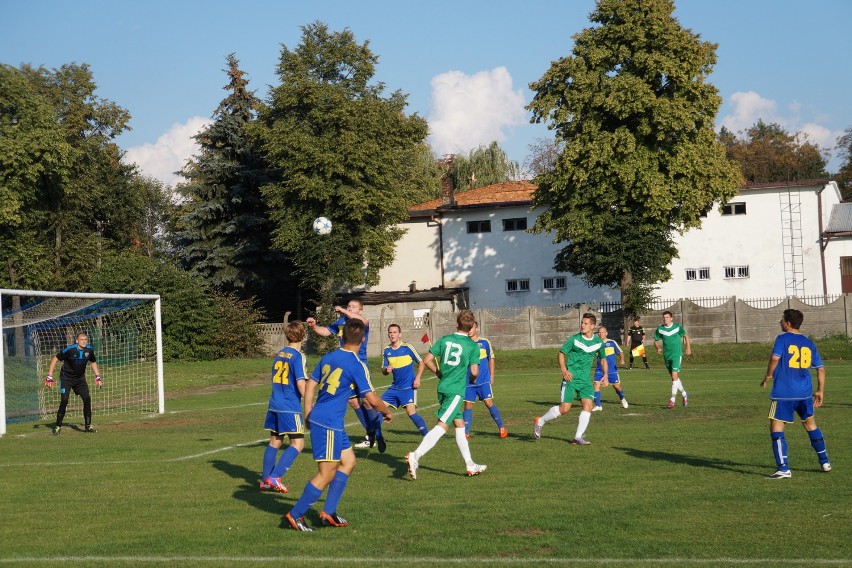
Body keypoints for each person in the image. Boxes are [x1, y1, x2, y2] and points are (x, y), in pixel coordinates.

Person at [283, 319, 392, 531]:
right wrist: (386, 411)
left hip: (323, 418)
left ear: (341, 337)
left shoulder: (329, 356)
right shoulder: (356, 364)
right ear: (363, 341)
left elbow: (311, 384)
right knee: (326, 473)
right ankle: (295, 515)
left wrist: (308, 412)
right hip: (329, 422)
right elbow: (371, 398)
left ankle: (328, 512)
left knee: (349, 461)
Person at [406, 309, 486, 480]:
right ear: (471, 326)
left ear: (457, 324)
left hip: (443, 387)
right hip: (456, 391)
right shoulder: (472, 346)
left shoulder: (444, 340)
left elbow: (426, 360)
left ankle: (470, 464)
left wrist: (438, 373)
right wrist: (472, 378)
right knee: (442, 426)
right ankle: (415, 456)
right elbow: (474, 371)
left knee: (460, 425)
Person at [760, 309, 831, 479]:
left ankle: (783, 469)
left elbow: (775, 358)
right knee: (810, 425)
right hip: (804, 393)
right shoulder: (808, 342)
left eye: (782, 320)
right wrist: (820, 390)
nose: (780, 323)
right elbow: (820, 368)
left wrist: (768, 375)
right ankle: (825, 462)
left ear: (788, 323)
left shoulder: (782, 339)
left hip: (784, 393)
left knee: (776, 428)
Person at [306, 299, 379, 446]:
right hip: (344, 364)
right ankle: (371, 433)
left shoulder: (360, 322)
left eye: (354, 307)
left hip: (359, 364)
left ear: (360, 310)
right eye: (349, 306)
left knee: (367, 401)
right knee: (353, 401)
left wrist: (345, 311)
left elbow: (364, 322)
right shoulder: (341, 321)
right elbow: (326, 331)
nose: (351, 308)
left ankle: (377, 431)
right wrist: (314, 327)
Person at [533, 313, 607, 445]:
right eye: (582, 323)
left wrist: (605, 374)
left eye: (585, 323)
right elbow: (561, 354)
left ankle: (577, 437)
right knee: (565, 409)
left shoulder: (598, 343)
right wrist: (564, 370)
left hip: (585, 381)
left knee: (588, 406)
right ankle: (540, 421)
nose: (582, 325)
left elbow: (603, 359)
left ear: (592, 326)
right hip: (571, 379)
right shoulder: (574, 339)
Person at [259, 321, 307, 494]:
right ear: (304, 336)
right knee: (298, 443)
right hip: (289, 406)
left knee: (275, 441)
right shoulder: (298, 356)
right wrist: (311, 403)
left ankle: (265, 480)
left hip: (275, 404)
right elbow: (301, 384)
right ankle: (275, 476)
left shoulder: (279, 354)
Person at [371, 324, 429, 450]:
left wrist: (418, 378)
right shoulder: (387, 350)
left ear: (400, 334)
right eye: (390, 332)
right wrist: (386, 369)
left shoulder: (408, 348)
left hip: (408, 387)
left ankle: (428, 437)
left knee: (411, 412)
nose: (392, 334)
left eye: (395, 332)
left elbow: (421, 362)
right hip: (394, 388)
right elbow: (383, 370)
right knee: (377, 409)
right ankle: (378, 438)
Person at [45, 331, 102, 435]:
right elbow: (55, 359)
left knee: (87, 399)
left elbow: (93, 362)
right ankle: (57, 426)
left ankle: (88, 426)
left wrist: (97, 376)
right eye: (81, 340)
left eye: (85, 340)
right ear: (77, 341)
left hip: (80, 379)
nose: (84, 341)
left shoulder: (89, 350)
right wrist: (49, 375)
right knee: (64, 400)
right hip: (66, 378)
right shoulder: (70, 350)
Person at [462, 321, 507, 439]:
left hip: (484, 380)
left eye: (471, 328)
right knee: (467, 405)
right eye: (468, 328)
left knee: (488, 403)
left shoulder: (484, 342)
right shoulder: (464, 344)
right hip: (468, 381)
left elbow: (491, 358)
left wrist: (492, 376)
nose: (469, 330)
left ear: (476, 328)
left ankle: (502, 428)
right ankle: (466, 433)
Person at [653, 311, 691, 409]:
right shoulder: (660, 329)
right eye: (664, 317)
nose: (665, 319)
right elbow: (655, 341)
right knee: (674, 379)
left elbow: (686, 336)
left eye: (667, 317)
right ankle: (684, 394)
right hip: (667, 356)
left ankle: (672, 400)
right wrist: (658, 348)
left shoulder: (677, 327)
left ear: (671, 318)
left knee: (674, 376)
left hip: (676, 355)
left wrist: (688, 348)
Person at [592, 326, 628, 411]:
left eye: (602, 332)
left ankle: (622, 398)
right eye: (599, 332)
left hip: (612, 369)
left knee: (617, 387)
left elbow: (620, 352)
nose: (600, 334)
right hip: (599, 369)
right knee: (596, 385)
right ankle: (598, 405)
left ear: (606, 333)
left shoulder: (612, 343)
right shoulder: (596, 344)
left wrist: (622, 359)